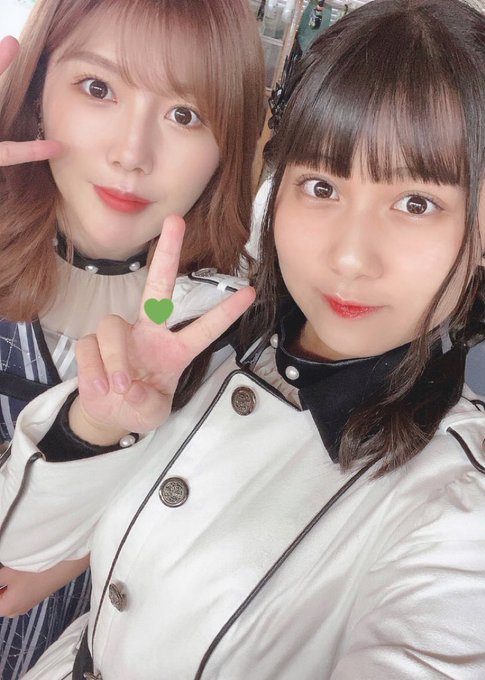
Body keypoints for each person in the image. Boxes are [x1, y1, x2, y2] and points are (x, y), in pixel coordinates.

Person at [2, 0, 485, 678]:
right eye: (321, 186)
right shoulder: (196, 328)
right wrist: (97, 426)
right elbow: (18, 546)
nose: (350, 256)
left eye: (416, 204)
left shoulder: (465, 514)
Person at [0, 0, 264, 677]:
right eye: (98, 88)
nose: (131, 154)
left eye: (185, 114)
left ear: (227, 146)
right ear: (36, 95)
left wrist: (70, 561)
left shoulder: (226, 328)